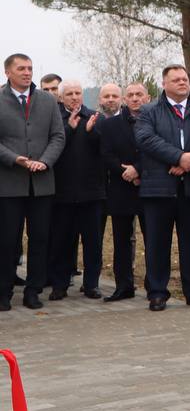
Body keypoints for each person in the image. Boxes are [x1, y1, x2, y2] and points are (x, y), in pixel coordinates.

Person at [136, 64, 190, 312]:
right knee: (157, 243)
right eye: (176, 79)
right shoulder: (149, 111)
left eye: (185, 79)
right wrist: (178, 157)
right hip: (159, 189)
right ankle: (158, 293)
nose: (183, 82)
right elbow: (146, 139)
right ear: (164, 84)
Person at [0, 54, 65, 310]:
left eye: (30, 68)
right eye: (21, 69)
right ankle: (3, 292)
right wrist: (15, 159)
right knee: (7, 240)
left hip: (42, 184)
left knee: (40, 238)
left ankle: (33, 290)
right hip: (9, 183)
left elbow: (58, 136)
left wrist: (45, 161)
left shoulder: (47, 101)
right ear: (8, 72)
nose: (27, 73)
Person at [48, 80, 106, 300]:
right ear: (61, 98)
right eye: (69, 93)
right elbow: (53, 150)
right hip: (62, 194)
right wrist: (69, 130)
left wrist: (91, 133)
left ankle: (91, 284)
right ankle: (59, 285)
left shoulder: (94, 118)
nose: (74, 97)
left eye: (78, 93)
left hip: (91, 193)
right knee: (61, 242)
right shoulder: (55, 120)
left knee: (92, 243)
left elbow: (104, 150)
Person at [98, 81, 149, 301]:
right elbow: (106, 154)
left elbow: (158, 150)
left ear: (147, 98)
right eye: (131, 95)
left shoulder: (156, 121)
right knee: (121, 240)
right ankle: (123, 286)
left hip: (150, 187)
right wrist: (125, 172)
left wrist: (138, 170)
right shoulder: (111, 125)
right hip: (121, 187)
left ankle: (154, 286)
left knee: (153, 239)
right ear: (124, 99)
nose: (135, 98)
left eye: (139, 94)